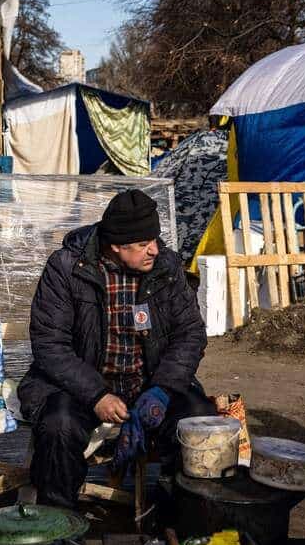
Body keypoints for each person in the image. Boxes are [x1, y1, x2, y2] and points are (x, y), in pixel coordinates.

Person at [19, 189, 212, 508]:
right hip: (81, 388)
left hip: (148, 383)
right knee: (58, 425)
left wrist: (163, 390)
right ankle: (58, 522)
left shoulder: (167, 265)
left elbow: (189, 333)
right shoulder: (66, 268)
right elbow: (50, 344)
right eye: (142, 244)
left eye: (154, 239)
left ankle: (179, 524)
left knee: (198, 421)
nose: (153, 249)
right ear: (115, 246)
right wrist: (97, 395)